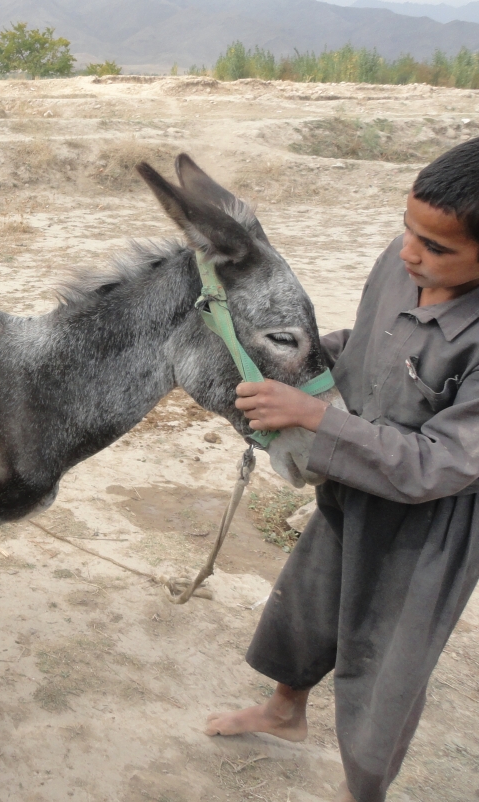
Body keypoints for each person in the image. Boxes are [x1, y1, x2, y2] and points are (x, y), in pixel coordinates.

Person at [205, 137, 479, 802]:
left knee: (383, 662)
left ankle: (365, 789)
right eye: (408, 230)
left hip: (427, 526)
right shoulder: (398, 262)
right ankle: (283, 710)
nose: (412, 253)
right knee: (310, 601)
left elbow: (441, 464)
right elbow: (367, 347)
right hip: (353, 474)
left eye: (437, 248)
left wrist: (315, 417)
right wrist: (304, 360)